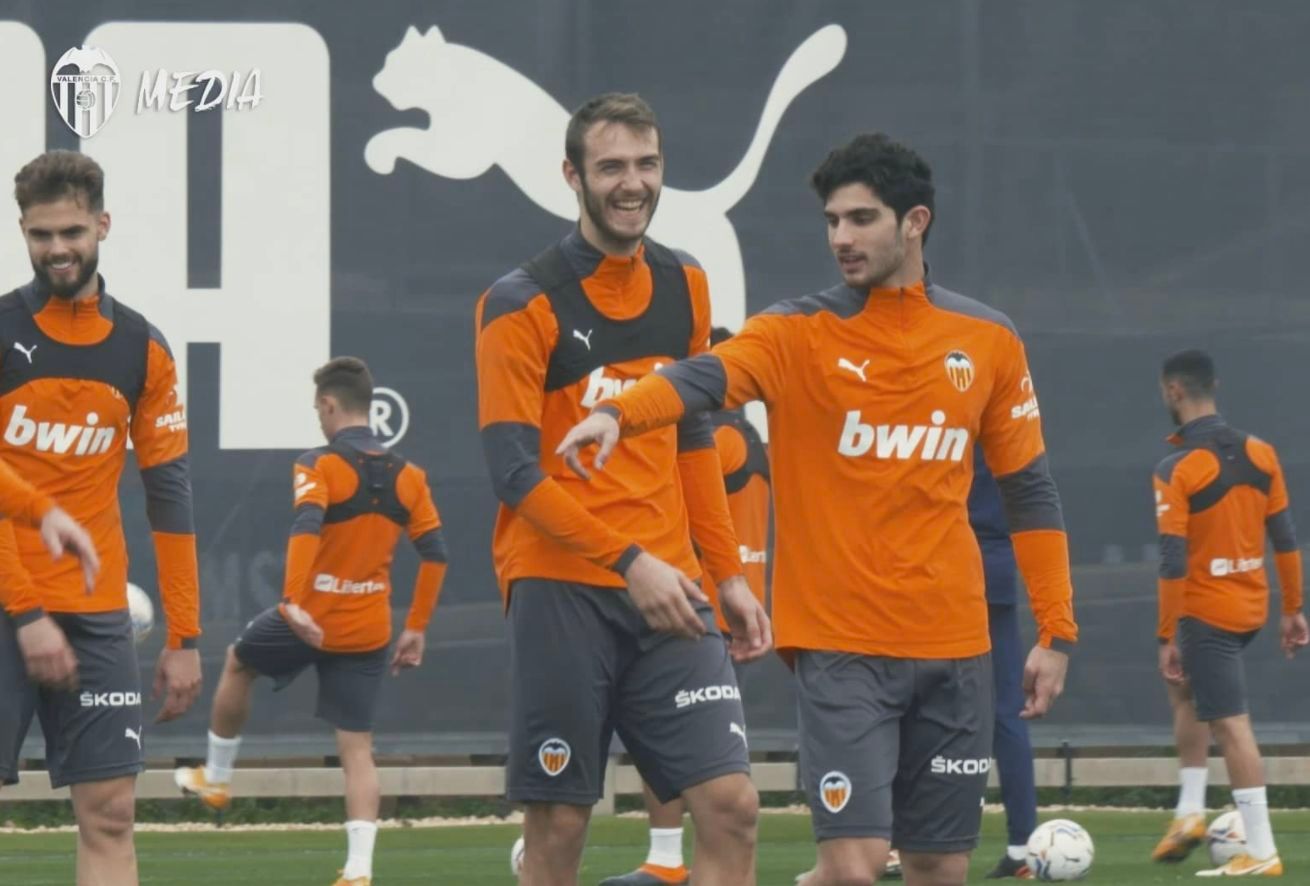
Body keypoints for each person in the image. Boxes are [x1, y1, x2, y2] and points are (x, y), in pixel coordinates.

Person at [557, 133, 1078, 886]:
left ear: (916, 222)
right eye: (832, 220)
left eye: (862, 218)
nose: (842, 237)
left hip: (956, 650)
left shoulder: (988, 340)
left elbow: (1030, 490)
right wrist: (619, 415)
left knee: (937, 866)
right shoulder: (795, 333)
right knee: (854, 867)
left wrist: (1056, 629)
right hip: (841, 652)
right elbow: (703, 377)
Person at [476, 92, 771, 886]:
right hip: (561, 587)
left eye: (646, 165)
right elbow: (513, 474)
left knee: (732, 806)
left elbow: (692, 435)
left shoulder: (687, 282)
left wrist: (730, 573)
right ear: (572, 176)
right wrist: (628, 561)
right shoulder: (517, 303)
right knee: (563, 822)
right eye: (610, 167)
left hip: (673, 586)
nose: (631, 183)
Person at [0, 149, 202, 886]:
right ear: (22, 231)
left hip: (95, 617)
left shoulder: (141, 348)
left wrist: (184, 636)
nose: (58, 249)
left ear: (103, 226)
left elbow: (170, 498)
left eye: (73, 232)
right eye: (41, 234)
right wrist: (25, 612)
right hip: (5, 600)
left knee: (113, 814)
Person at [174, 356, 448, 886]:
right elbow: (435, 553)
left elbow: (306, 525)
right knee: (357, 748)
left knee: (237, 663)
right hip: (368, 630)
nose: (317, 419)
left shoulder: (318, 464)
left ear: (329, 405)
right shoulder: (411, 477)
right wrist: (416, 626)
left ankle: (217, 778)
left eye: (317, 410)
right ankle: (359, 870)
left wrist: (293, 601)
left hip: (311, 616)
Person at [601, 326, 772, 886]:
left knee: (704, 766)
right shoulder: (747, 440)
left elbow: (678, 470)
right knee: (692, 759)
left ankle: (671, 858)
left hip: (703, 604)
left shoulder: (727, 439)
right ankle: (670, 857)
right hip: (708, 596)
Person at [1150, 349, 1305, 877]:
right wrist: (1294, 609)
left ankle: (1261, 851)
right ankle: (1189, 812)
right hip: (1251, 607)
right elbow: (1284, 539)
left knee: (1232, 727)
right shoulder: (1262, 453)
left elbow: (1172, 561)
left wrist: (1166, 634)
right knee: (1187, 693)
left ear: (1173, 391)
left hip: (1204, 612)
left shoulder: (1177, 468)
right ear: (1212, 385)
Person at [969, 447, 1039, 879]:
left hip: (942, 566)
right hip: (995, 567)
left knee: (917, 701)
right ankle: (1023, 845)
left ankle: (911, 838)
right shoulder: (1004, 419)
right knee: (1006, 711)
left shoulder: (946, 406)